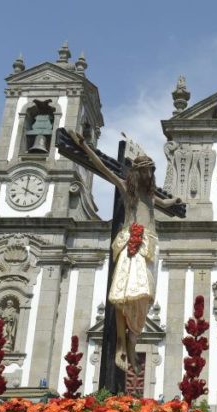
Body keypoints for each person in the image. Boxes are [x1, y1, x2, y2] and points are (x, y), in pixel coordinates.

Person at [69, 131, 182, 372]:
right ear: (136, 172)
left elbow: (165, 204)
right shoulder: (126, 188)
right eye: (145, 170)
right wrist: (86, 148)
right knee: (123, 293)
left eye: (152, 171)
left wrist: (176, 202)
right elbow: (104, 168)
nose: (149, 175)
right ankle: (121, 344)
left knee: (144, 295)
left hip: (150, 245)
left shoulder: (150, 195)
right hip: (132, 241)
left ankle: (133, 339)